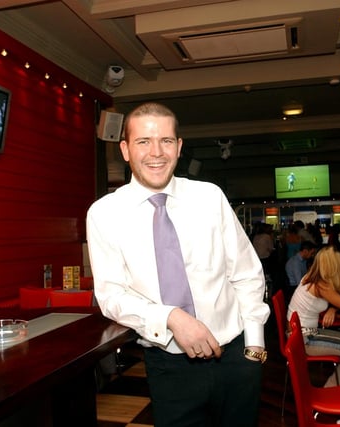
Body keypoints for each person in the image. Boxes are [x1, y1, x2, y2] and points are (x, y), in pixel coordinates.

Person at [86, 102, 270, 427]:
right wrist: (170, 317)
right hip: (168, 366)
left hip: (236, 357)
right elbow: (111, 295)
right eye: (143, 141)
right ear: (125, 149)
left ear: (179, 147)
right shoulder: (103, 214)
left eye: (166, 141)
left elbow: (246, 272)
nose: (156, 152)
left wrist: (254, 347)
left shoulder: (209, 197)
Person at [287, 246, 340, 388]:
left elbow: (339, 300)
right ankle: (334, 389)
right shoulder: (321, 285)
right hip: (304, 339)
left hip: (302, 333)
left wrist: (333, 308)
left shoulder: (312, 277)